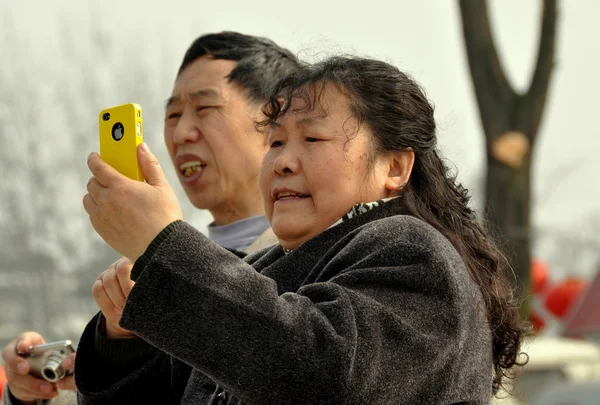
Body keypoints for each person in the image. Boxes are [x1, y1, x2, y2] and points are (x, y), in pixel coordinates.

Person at [77, 56, 527, 404]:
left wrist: (164, 243)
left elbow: (319, 375)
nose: (284, 161)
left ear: (394, 166)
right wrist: (125, 342)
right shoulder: (257, 273)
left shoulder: (414, 254)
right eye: (274, 143)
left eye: (311, 139)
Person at [1, 31, 301, 405]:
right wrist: (34, 392)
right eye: (172, 114)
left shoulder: (330, 259)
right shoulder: (153, 278)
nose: (180, 132)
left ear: (278, 117)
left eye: (204, 109)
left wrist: (163, 243)